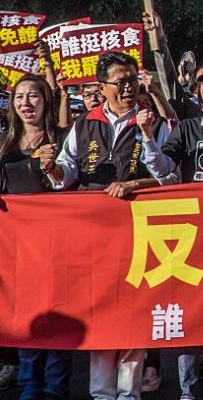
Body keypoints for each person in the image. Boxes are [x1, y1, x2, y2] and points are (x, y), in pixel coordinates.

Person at [42, 52, 170, 400]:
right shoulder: (84, 124)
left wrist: (134, 179)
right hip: (94, 234)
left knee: (133, 312)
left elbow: (168, 177)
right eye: (120, 81)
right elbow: (68, 171)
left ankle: (129, 394)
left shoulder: (153, 121)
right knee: (100, 310)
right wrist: (53, 170)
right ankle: (101, 393)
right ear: (103, 87)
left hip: (137, 232)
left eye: (132, 80)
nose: (128, 87)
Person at [2, 75, 72, 400]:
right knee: (27, 315)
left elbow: (70, 182)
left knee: (59, 314)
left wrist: (53, 167)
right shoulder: (4, 145)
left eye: (33, 96)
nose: (26, 103)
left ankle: (55, 386)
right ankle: (30, 384)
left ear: (45, 101)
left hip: (57, 244)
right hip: (17, 247)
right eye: (19, 98)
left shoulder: (62, 139)